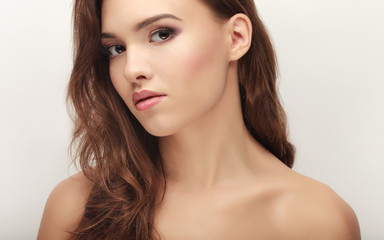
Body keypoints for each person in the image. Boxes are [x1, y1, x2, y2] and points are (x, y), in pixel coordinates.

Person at [37, 0, 361, 239]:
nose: (132, 69)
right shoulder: (75, 206)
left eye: (162, 34)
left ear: (235, 37)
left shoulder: (316, 221)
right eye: (116, 49)